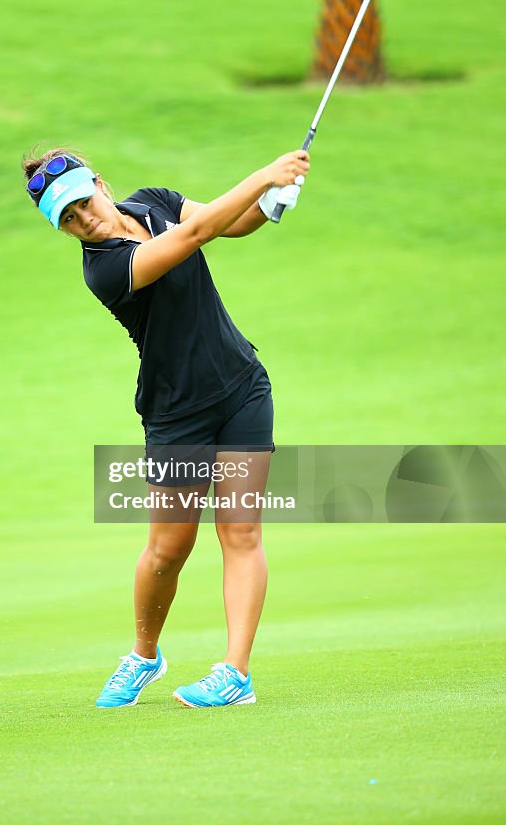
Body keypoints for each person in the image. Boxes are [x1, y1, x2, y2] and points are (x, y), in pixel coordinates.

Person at [22, 145, 310, 708]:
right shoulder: (103, 269)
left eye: (83, 203)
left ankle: (235, 673)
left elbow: (232, 222)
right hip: (177, 415)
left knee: (242, 532)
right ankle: (145, 654)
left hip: (242, 389)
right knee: (167, 549)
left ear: (100, 184)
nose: (85, 221)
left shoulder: (154, 203)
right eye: (68, 220)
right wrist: (261, 174)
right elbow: (195, 235)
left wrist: (274, 199)